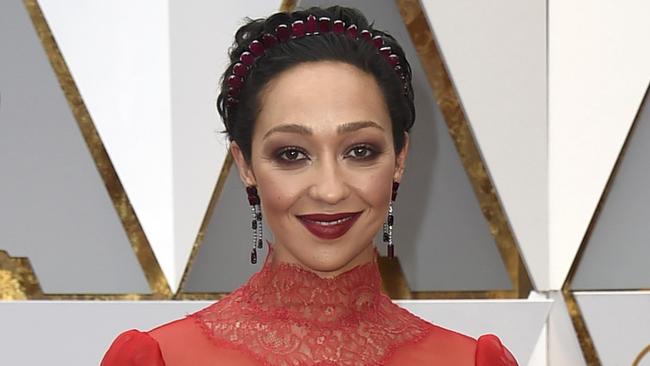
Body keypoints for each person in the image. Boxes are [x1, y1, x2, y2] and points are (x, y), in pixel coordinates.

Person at [101, 5, 518, 366]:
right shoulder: (161, 358)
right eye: (292, 154)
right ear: (244, 164)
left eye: (359, 151)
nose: (330, 190)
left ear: (400, 159)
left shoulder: (471, 361)